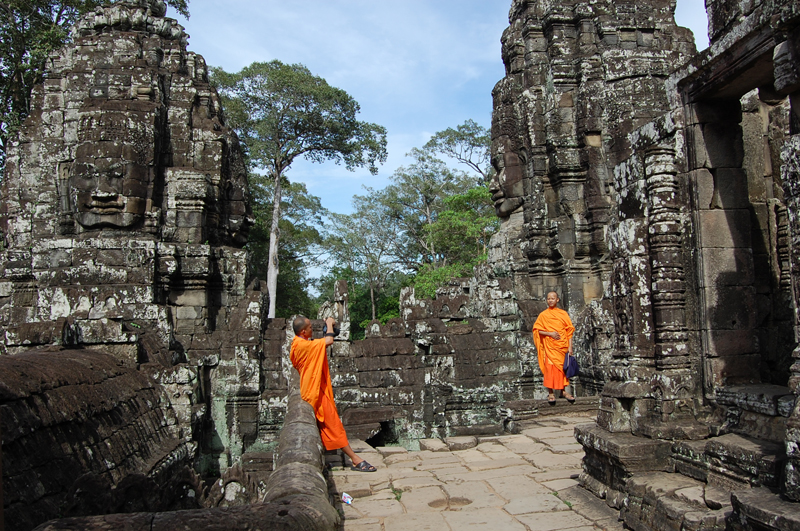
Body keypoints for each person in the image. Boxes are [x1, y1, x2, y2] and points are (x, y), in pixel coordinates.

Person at [290, 315, 376, 472]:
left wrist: (329, 329)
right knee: (333, 425)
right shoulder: (302, 345)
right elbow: (328, 341)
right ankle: (355, 459)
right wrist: (329, 323)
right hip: (315, 392)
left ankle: (321, 461)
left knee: (320, 427)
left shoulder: (298, 343)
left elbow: (319, 346)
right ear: (303, 332)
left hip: (312, 388)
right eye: (310, 328)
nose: (312, 330)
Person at [532, 291, 576, 405]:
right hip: (550, 347)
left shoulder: (563, 314)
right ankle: (551, 393)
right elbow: (537, 330)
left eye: (553, 298)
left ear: (557, 300)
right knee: (550, 369)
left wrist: (570, 347)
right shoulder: (543, 315)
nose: (550, 300)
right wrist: (549, 333)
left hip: (562, 346)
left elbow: (569, 331)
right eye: (548, 298)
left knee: (562, 369)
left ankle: (563, 391)